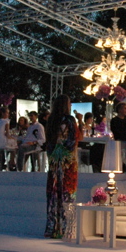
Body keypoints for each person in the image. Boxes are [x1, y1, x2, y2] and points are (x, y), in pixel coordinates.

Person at [45, 94, 80, 238]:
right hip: (67, 160)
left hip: (54, 159)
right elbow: (74, 139)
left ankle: (53, 227)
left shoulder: (51, 120)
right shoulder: (70, 120)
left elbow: (48, 142)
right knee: (67, 192)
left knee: (54, 192)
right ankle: (67, 228)